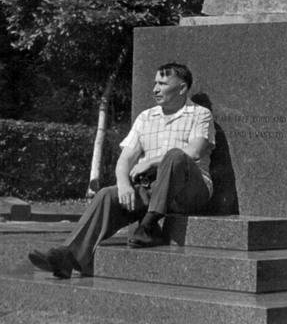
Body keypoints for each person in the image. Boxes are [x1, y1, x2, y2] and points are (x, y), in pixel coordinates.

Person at [27, 62, 215, 279]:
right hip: (151, 188)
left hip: (190, 190)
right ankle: (67, 257)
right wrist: (124, 185)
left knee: (175, 155)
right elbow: (125, 158)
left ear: (182, 88)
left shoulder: (200, 114)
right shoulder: (146, 117)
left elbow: (194, 152)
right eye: (154, 83)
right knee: (108, 194)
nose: (155, 89)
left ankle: (149, 225)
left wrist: (152, 161)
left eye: (162, 83)